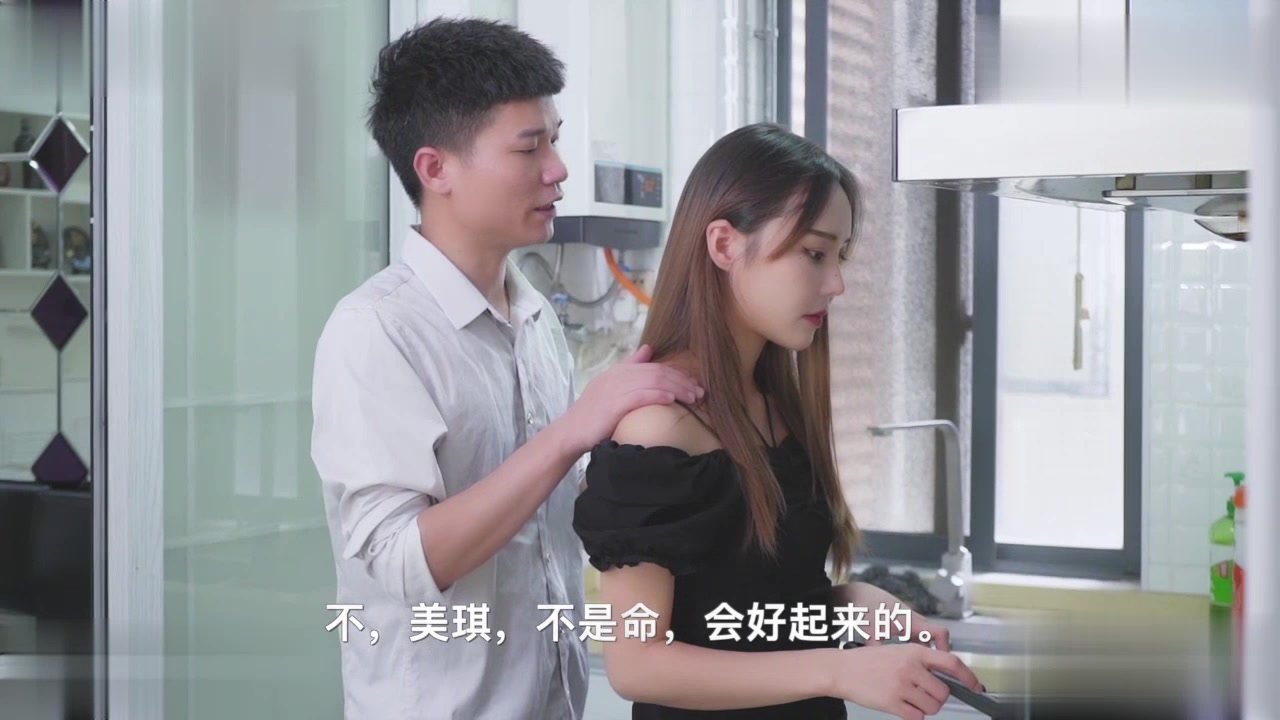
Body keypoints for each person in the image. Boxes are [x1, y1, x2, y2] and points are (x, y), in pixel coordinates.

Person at [310, 17, 701, 720]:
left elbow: (550, 511)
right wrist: (574, 431)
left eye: (555, 139)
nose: (558, 169)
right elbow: (404, 560)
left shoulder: (535, 317)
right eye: (530, 147)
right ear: (436, 169)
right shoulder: (376, 330)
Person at [573, 123, 985, 720]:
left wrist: (856, 605)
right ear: (724, 245)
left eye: (839, 257)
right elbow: (638, 665)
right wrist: (838, 668)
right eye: (815, 253)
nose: (836, 283)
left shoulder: (776, 407)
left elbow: (761, 600)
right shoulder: (657, 429)